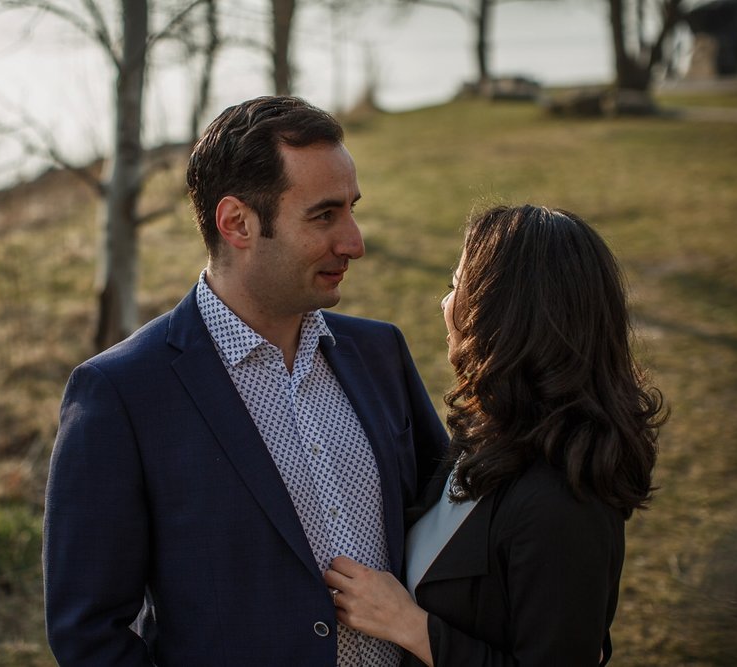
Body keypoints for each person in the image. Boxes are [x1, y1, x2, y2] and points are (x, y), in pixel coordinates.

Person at [42, 96, 449, 666]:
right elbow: (89, 632)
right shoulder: (122, 394)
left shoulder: (380, 352)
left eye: (352, 209)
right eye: (324, 215)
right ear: (236, 222)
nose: (354, 241)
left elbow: (448, 533)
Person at [324, 204, 666, 666]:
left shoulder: (564, 505)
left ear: (500, 317)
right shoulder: (488, 437)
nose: (445, 305)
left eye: (456, 287)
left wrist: (408, 625)